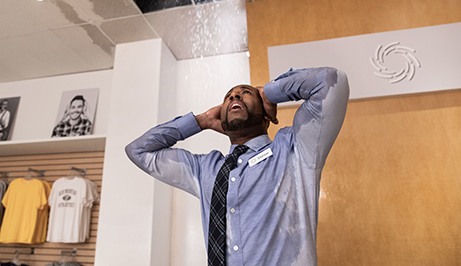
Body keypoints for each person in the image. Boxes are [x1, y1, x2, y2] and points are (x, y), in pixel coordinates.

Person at [125, 67, 349, 266]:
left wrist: (270, 92)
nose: (235, 95)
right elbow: (138, 151)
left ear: (267, 114)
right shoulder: (204, 169)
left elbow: (330, 80)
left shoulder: (296, 149)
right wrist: (200, 121)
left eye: (246, 93)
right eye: (229, 97)